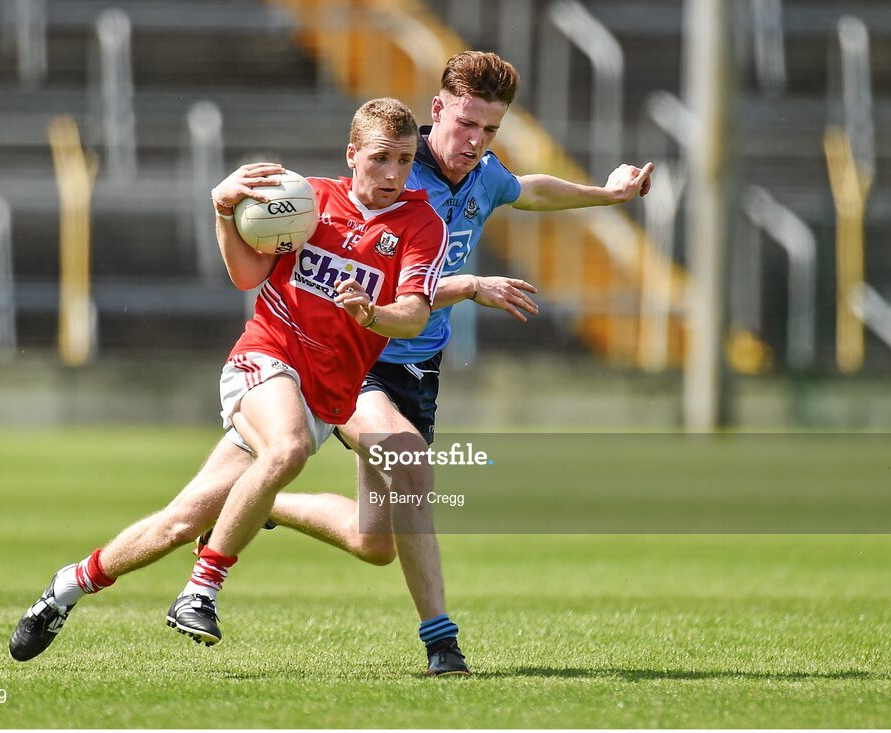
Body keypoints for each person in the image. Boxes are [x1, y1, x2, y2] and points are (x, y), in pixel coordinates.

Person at [8, 97, 449, 662]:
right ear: (352, 155)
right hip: (265, 359)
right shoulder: (305, 199)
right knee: (286, 448)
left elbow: (413, 311)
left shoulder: (421, 224)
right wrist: (223, 212)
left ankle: (66, 586)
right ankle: (202, 588)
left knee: (180, 521)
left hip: (323, 397)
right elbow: (247, 276)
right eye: (381, 157)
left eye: (406, 159)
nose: (393, 173)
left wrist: (372, 315)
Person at [261, 51, 654, 676]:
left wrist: (606, 195)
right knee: (412, 466)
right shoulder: (393, 173)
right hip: (355, 352)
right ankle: (442, 643)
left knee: (375, 542)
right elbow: (383, 280)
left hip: (417, 369)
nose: (476, 141)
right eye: (467, 124)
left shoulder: (483, 175)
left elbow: (527, 190)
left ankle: (257, 502)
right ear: (436, 109)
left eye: (491, 129)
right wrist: (469, 284)